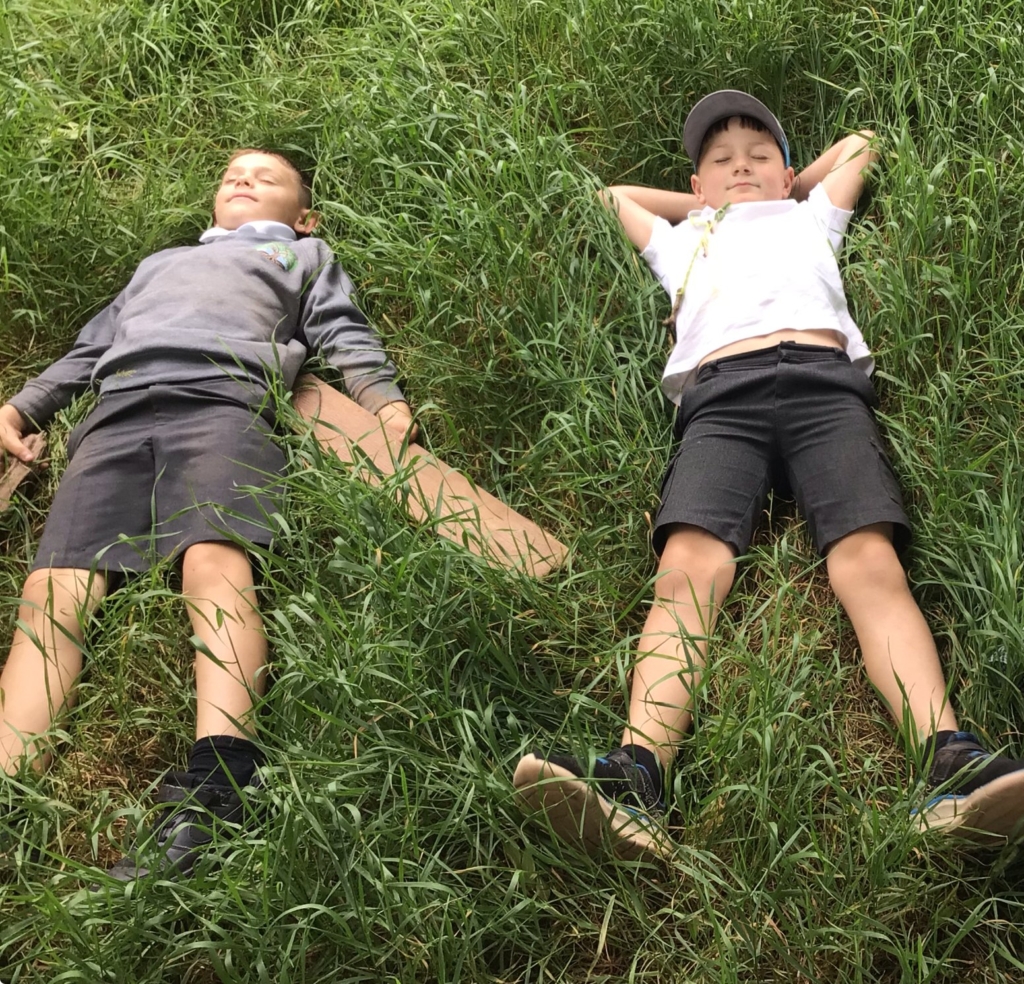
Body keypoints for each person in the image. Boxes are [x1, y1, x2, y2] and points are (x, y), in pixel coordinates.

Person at [514, 90, 1024, 860]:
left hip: (826, 388)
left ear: (788, 177)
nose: (740, 166)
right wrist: (707, 201)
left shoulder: (809, 216)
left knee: (870, 562)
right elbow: (611, 196)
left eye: (759, 157)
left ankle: (951, 758)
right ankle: (636, 773)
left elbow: (861, 142)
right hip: (722, 400)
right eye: (720, 161)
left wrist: (789, 186)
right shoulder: (685, 238)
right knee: (687, 566)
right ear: (696, 184)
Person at [0, 148, 413, 880]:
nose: (242, 179)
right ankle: (8, 784)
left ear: (304, 215)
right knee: (53, 587)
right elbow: (89, 347)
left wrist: (382, 400)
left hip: (226, 399)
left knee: (214, 559)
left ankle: (224, 778)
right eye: (231, 174)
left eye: (267, 177)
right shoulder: (158, 264)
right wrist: (24, 404)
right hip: (115, 411)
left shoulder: (304, 255)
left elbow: (342, 329)